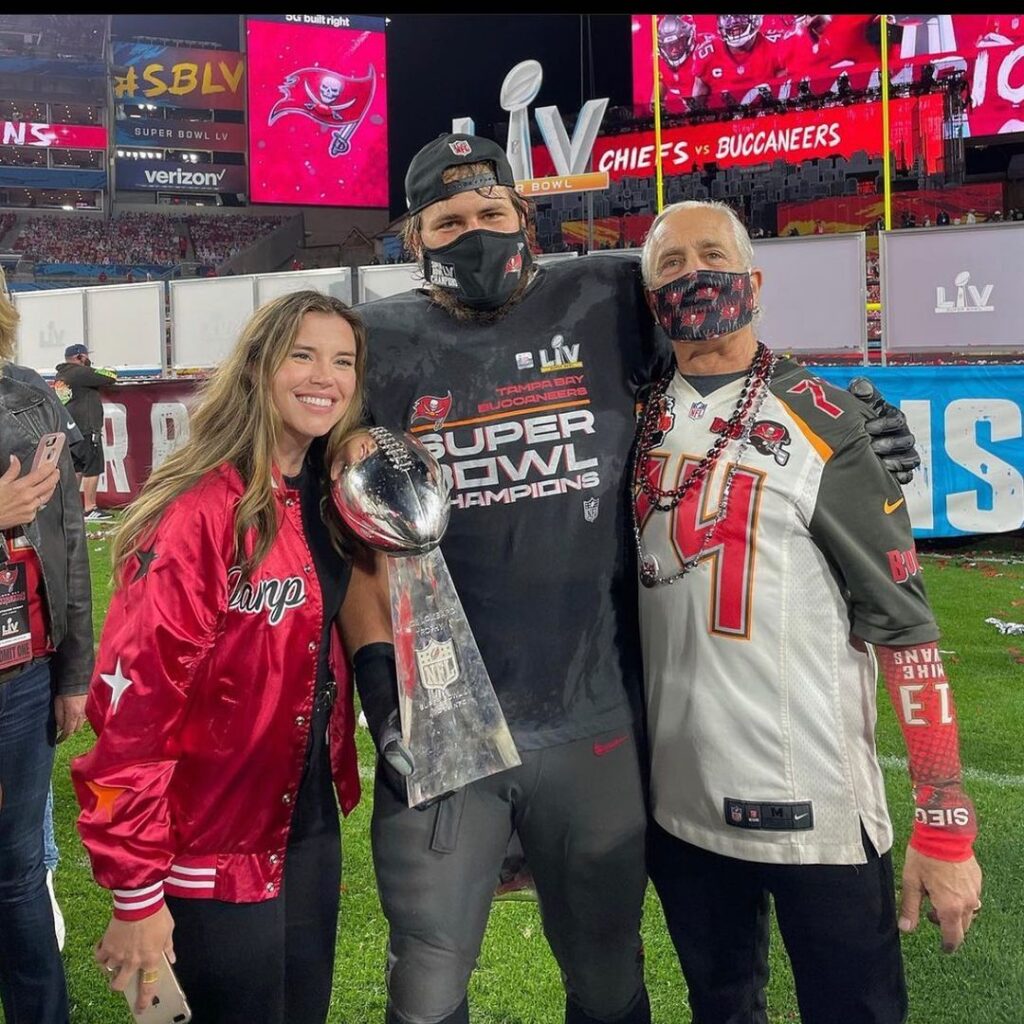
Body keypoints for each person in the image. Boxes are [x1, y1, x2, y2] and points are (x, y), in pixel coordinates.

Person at [352, 132, 921, 1024]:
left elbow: (722, 337)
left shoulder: (608, 293)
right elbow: (342, 517)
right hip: (450, 719)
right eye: (449, 220)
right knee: (425, 979)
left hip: (596, 714)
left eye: (490, 212)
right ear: (412, 237)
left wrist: (850, 409)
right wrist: (385, 694)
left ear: (523, 216)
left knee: (608, 973)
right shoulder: (373, 339)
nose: (475, 232)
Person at [634, 200, 983, 1024]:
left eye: (710, 254)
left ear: (753, 280)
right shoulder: (633, 419)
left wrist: (945, 820)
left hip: (815, 812)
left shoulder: (829, 421)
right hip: (680, 812)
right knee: (719, 1007)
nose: (693, 275)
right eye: (669, 266)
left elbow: (907, 630)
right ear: (649, 300)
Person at [71, 291, 382, 1023]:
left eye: (343, 361)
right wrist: (136, 893)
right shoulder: (197, 510)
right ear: (257, 369)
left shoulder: (333, 496)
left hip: (304, 829)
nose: (324, 376)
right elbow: (132, 712)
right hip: (205, 842)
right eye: (302, 354)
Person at [0, 263, 92, 1024]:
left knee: (18, 874)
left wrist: (73, 673)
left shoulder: (33, 397)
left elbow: (66, 548)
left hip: (19, 675)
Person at [54, 343, 116, 521]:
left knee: (76, 469)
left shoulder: (62, 375)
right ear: (80, 357)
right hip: (87, 428)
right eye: (86, 356)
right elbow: (110, 376)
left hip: (71, 430)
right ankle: (90, 508)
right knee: (92, 467)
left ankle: (69, 509)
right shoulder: (80, 373)